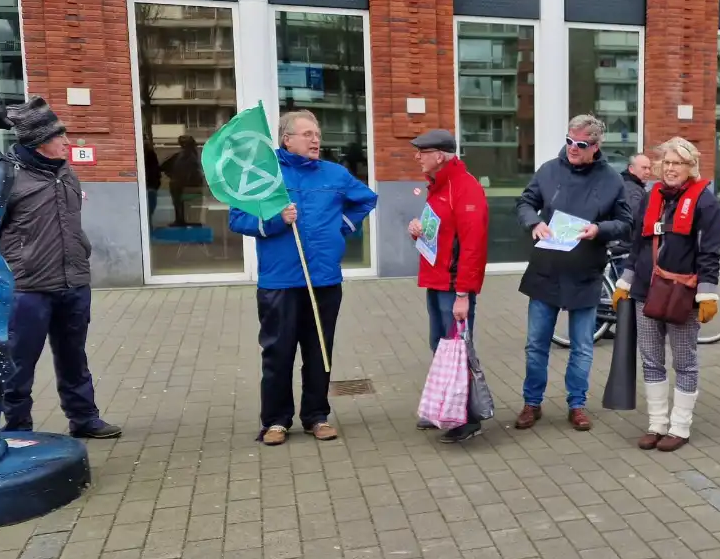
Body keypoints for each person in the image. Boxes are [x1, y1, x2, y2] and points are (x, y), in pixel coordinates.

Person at [229, 110, 378, 446]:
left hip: (324, 279)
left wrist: (341, 228)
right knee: (278, 354)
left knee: (318, 352)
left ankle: (317, 416)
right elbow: (238, 220)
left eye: (317, 134)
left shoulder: (335, 174)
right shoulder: (264, 176)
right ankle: (276, 421)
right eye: (308, 134)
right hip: (279, 282)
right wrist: (275, 219)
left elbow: (366, 199)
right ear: (287, 139)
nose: (316, 140)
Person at [0, 96, 121, 438]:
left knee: (74, 357)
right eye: (59, 137)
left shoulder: (66, 172)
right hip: (28, 288)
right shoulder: (8, 178)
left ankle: (84, 419)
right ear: (39, 143)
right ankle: (17, 428)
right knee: (18, 363)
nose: (67, 142)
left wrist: (82, 251)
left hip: (73, 282)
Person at [514, 114, 632, 431]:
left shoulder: (611, 179)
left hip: (585, 272)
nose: (572, 149)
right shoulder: (549, 170)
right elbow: (525, 202)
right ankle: (531, 403)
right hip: (547, 270)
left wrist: (600, 229)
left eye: (580, 144)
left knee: (582, 346)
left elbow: (626, 223)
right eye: (569, 141)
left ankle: (577, 405)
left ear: (595, 146)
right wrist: (533, 222)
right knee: (536, 344)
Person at [611, 137, 720, 451]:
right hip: (646, 291)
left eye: (679, 163)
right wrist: (625, 282)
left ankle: (680, 427)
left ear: (691, 167)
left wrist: (708, 294)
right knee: (651, 361)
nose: (671, 168)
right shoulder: (651, 198)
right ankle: (657, 424)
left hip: (681, 292)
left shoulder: (705, 202)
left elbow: (709, 253)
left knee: (685, 362)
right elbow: (637, 245)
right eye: (668, 163)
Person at [407, 129, 489, 443]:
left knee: (458, 350)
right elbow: (443, 234)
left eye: (422, 152)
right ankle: (446, 407)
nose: (417, 157)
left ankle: (467, 418)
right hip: (438, 281)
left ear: (439, 156)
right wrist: (418, 230)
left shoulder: (464, 188)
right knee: (442, 348)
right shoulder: (439, 187)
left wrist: (463, 295)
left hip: (454, 287)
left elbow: (472, 246)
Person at [609, 152, 652, 263]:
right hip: (626, 249)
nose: (648, 172)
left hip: (622, 246)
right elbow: (637, 216)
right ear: (631, 169)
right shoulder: (631, 189)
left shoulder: (629, 185)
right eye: (644, 168)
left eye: (649, 168)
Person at [160, 135, 203, 227]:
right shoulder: (184, 155)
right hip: (181, 184)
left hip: (183, 185)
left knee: (184, 204)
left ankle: (183, 220)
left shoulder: (187, 156)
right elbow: (163, 166)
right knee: (182, 204)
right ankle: (182, 220)